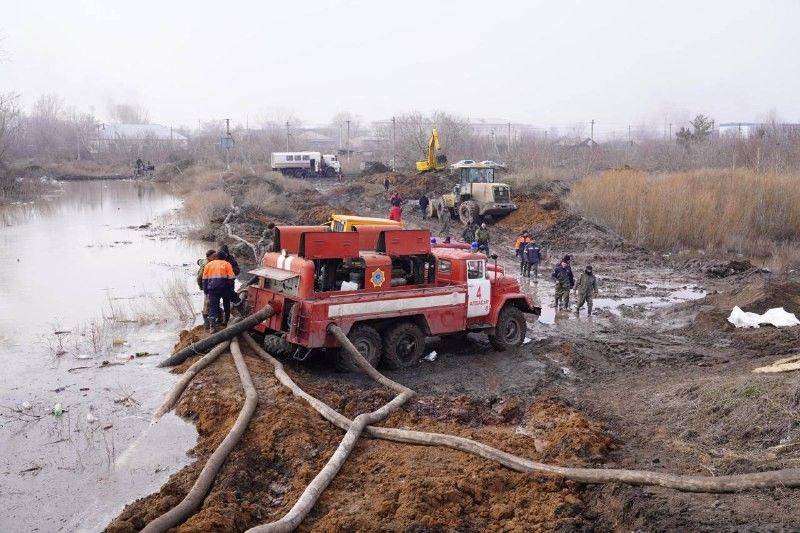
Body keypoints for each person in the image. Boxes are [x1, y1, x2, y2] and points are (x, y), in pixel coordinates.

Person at [202, 252, 237, 332]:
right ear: (225, 257)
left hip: (212, 289)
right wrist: (228, 286)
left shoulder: (208, 265)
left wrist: (206, 291)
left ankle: (212, 327)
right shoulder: (227, 264)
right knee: (227, 303)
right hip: (224, 289)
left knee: (213, 307)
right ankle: (226, 320)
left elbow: (204, 280)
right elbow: (232, 278)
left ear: (216, 257)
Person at [196, 249, 217, 330]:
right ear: (209, 257)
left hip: (212, 286)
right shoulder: (207, 264)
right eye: (214, 256)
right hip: (208, 287)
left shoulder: (206, 261)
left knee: (212, 302)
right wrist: (202, 287)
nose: (216, 257)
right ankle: (207, 324)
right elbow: (199, 277)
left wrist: (198, 261)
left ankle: (213, 321)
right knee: (207, 304)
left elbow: (200, 261)